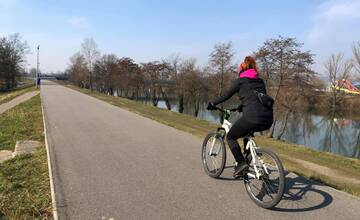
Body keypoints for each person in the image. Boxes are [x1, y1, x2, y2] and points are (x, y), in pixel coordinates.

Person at [207, 56, 273, 177]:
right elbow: (256, 98)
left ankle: (241, 164)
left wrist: (213, 103)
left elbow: (226, 95)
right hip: (267, 118)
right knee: (246, 133)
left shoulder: (241, 81)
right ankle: (246, 163)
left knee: (231, 136)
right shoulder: (260, 81)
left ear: (242, 70)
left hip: (253, 117)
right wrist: (241, 106)